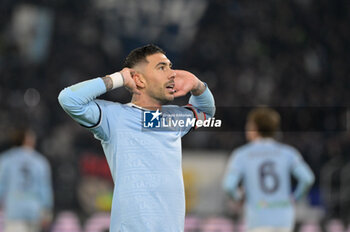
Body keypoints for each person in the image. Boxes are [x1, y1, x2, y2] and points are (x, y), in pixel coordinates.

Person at [58, 44, 215, 231]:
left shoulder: (172, 119)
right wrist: (118, 78)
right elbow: (68, 99)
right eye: (162, 67)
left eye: (170, 66)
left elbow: (206, 113)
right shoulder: (114, 117)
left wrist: (197, 85)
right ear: (139, 79)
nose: (172, 73)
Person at [223, 107, 315, 232]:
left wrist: (238, 198)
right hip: (284, 220)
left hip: (257, 220)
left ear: (254, 128)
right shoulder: (289, 153)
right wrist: (294, 199)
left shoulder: (241, 155)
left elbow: (228, 186)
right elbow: (307, 179)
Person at [0, 128, 53, 232]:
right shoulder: (40, 161)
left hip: (14, 210)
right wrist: (47, 211)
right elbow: (45, 189)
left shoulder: (6, 159)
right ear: (28, 141)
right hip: (34, 211)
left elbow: (1, 186)